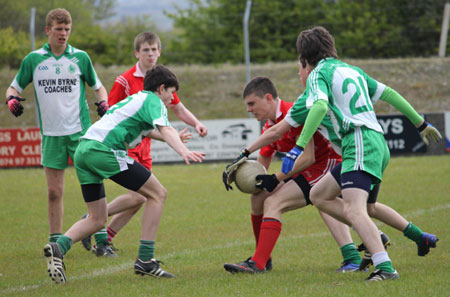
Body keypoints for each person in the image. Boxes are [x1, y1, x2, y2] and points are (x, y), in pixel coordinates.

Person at [283, 26, 441, 281]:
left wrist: (299, 146)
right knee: (322, 195)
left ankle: (385, 268)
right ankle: (417, 237)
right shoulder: (351, 70)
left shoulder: (317, 73)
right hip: (375, 141)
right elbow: (388, 93)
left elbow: (321, 105)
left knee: (355, 210)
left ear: (304, 57)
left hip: (358, 142)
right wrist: (419, 123)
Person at [43, 65, 205, 284]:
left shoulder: (137, 99)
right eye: (171, 93)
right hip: (103, 150)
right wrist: (183, 150)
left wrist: (174, 137)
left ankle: (58, 247)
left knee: (97, 219)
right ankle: (146, 261)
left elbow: (148, 131)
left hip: (84, 151)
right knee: (158, 194)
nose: (172, 98)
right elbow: (165, 129)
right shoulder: (153, 100)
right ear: (161, 88)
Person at [222, 77, 388, 274]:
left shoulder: (294, 112)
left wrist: (276, 178)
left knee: (274, 203)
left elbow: (308, 157)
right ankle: (263, 258)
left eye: (252, 103)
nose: (249, 109)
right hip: (303, 169)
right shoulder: (269, 126)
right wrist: (251, 180)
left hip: (325, 164)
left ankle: (258, 263)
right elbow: (262, 165)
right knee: (259, 198)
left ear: (268, 98)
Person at [81, 32, 208, 257]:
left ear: (159, 52)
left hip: (144, 146)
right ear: (137, 53)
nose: (150, 54)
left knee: (142, 198)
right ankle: (98, 228)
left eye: (154, 50)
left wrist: (195, 123)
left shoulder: (163, 81)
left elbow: (177, 108)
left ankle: (102, 234)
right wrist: (180, 147)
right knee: (145, 195)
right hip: (121, 145)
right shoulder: (126, 80)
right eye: (146, 50)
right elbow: (113, 113)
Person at [5, 8, 109, 245]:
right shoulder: (33, 60)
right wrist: (11, 99)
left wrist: (104, 102)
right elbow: (13, 88)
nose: (63, 34)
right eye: (59, 29)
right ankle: (55, 242)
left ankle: (102, 240)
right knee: (53, 192)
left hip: (80, 133)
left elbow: (98, 86)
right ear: (48, 30)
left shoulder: (80, 58)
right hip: (51, 135)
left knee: (92, 184)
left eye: (67, 29)